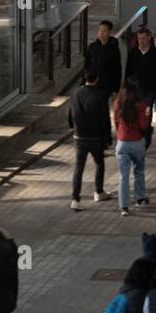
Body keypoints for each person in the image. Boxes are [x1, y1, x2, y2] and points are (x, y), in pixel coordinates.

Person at [67, 70, 112, 211]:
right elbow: (105, 120)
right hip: (95, 137)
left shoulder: (75, 93)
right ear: (96, 79)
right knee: (99, 164)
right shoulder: (100, 96)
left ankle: (75, 198)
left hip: (79, 136)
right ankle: (99, 191)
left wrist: (72, 127)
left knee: (78, 167)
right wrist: (107, 138)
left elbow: (70, 113)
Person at [112, 81, 153, 214]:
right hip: (137, 142)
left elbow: (116, 122)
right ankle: (140, 197)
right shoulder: (140, 105)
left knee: (123, 176)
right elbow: (143, 125)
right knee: (139, 170)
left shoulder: (118, 103)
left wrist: (120, 133)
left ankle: (124, 206)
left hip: (122, 142)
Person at [124, 26, 156, 128]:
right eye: (139, 38)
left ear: (149, 38)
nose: (141, 41)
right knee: (135, 111)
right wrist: (126, 87)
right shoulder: (133, 52)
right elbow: (128, 71)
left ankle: (146, 131)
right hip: (135, 88)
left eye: (143, 38)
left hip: (150, 88)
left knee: (147, 111)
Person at [83, 20, 122, 97]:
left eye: (104, 31)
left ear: (109, 32)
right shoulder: (92, 47)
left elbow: (117, 69)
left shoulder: (114, 49)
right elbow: (86, 65)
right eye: (100, 30)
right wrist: (84, 81)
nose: (101, 33)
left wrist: (115, 89)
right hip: (92, 83)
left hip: (107, 85)